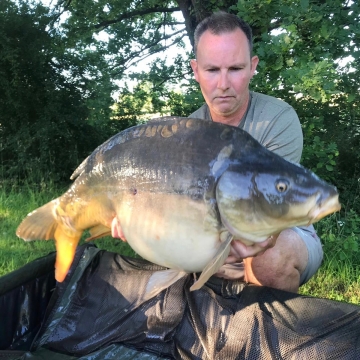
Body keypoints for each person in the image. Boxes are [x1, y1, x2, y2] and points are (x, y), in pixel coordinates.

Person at [189, 11, 323, 293]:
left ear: (252, 67)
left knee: (268, 261)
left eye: (235, 69)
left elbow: (270, 211)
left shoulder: (278, 118)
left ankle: (274, 333)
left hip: (280, 228)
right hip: (216, 228)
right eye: (212, 70)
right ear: (196, 70)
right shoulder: (190, 130)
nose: (223, 84)